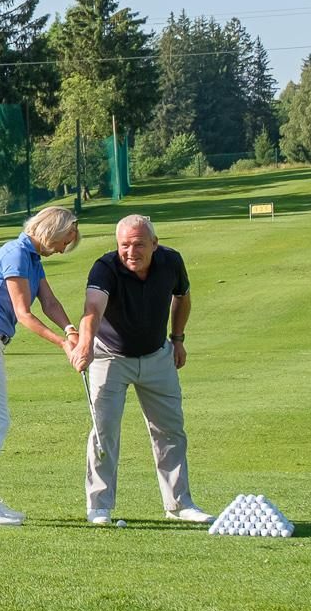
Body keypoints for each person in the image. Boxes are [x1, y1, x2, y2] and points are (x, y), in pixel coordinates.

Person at [69, 214, 210, 525]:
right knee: (104, 431)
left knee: (170, 430)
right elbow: (92, 310)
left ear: (155, 245)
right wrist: (86, 345)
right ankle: (99, 506)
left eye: (138, 245)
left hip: (157, 354)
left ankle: (179, 504)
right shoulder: (105, 268)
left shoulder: (171, 261)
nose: (131, 252)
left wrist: (178, 339)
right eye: (124, 245)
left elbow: (182, 298)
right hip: (110, 358)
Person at [0, 205, 81, 526]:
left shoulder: (32, 257)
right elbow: (24, 314)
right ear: (52, 231)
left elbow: (48, 302)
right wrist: (62, 344)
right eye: (66, 240)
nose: (65, 248)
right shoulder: (17, 253)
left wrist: (70, 329)